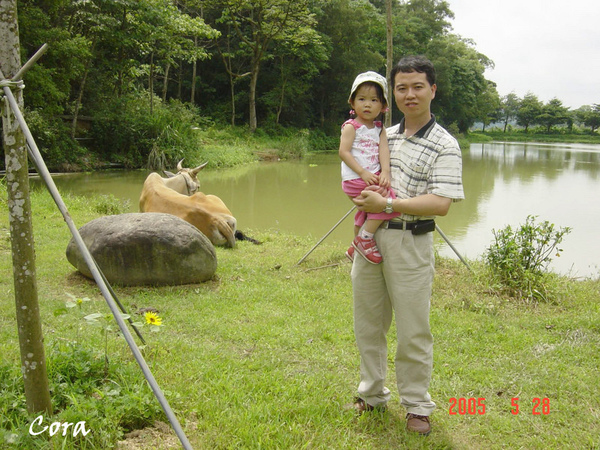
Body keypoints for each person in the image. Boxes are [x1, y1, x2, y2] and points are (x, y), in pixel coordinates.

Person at [349, 55, 465, 436]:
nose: (409, 94)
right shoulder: (382, 133)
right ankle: (371, 393)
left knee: (414, 328)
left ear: (433, 90)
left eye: (418, 86)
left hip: (411, 241)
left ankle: (416, 404)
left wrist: (386, 204)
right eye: (401, 88)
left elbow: (441, 204)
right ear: (392, 95)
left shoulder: (445, 144)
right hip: (371, 237)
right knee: (368, 324)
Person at [339, 71, 400, 264]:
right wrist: (362, 172)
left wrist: (386, 173)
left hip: (371, 176)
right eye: (362, 99)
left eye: (374, 100)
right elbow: (344, 152)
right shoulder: (351, 126)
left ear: (383, 106)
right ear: (352, 102)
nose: (367, 104)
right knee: (387, 202)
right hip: (355, 178)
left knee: (365, 211)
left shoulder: (379, 129)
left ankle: (353, 247)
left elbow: (384, 151)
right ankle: (364, 239)